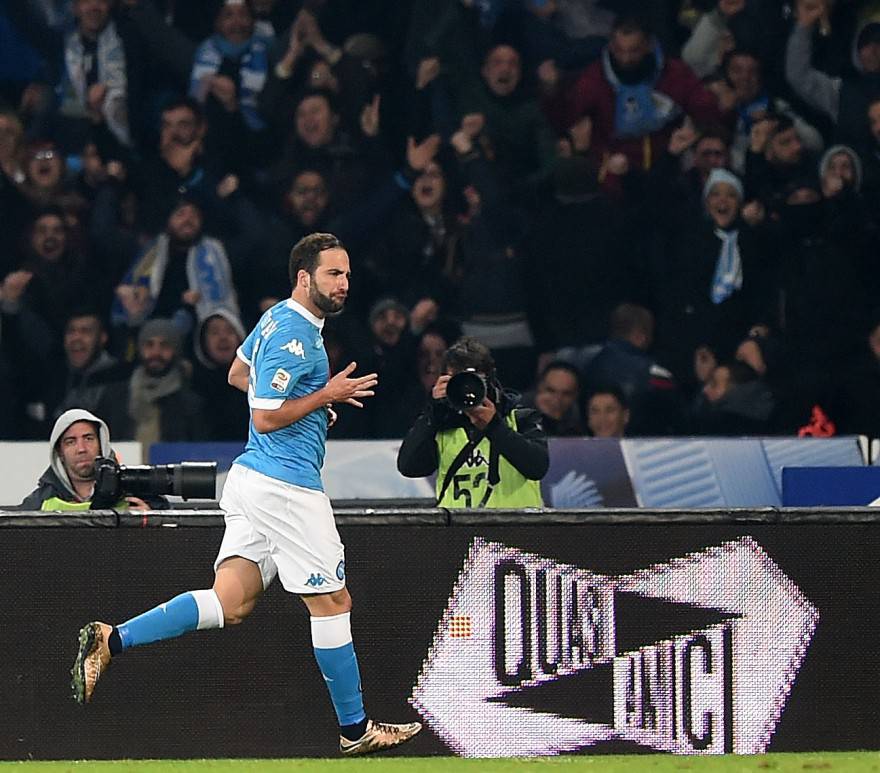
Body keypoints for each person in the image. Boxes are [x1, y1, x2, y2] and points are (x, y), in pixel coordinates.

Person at [69, 232, 422, 757]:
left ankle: (111, 638)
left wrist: (306, 401)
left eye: (347, 273)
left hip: (253, 481)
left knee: (229, 603)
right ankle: (355, 730)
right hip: (285, 487)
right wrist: (325, 395)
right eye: (333, 274)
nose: (344, 283)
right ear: (304, 277)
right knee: (333, 601)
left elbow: (240, 373)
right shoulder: (295, 336)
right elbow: (263, 414)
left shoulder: (277, 316)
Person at [396, 335, 549, 508]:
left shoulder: (520, 418)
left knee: (488, 538)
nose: (466, 389)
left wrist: (493, 426)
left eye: (473, 380)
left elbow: (537, 467)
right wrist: (432, 413)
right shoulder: (442, 425)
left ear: (490, 380)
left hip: (513, 529)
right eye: (457, 381)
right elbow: (408, 467)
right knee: (479, 538)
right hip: (462, 531)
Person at [18, 408, 156, 511]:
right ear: (59, 452)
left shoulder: (137, 494)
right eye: (71, 442)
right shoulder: (39, 503)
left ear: (101, 444)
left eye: (88, 438)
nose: (81, 449)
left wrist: (153, 522)